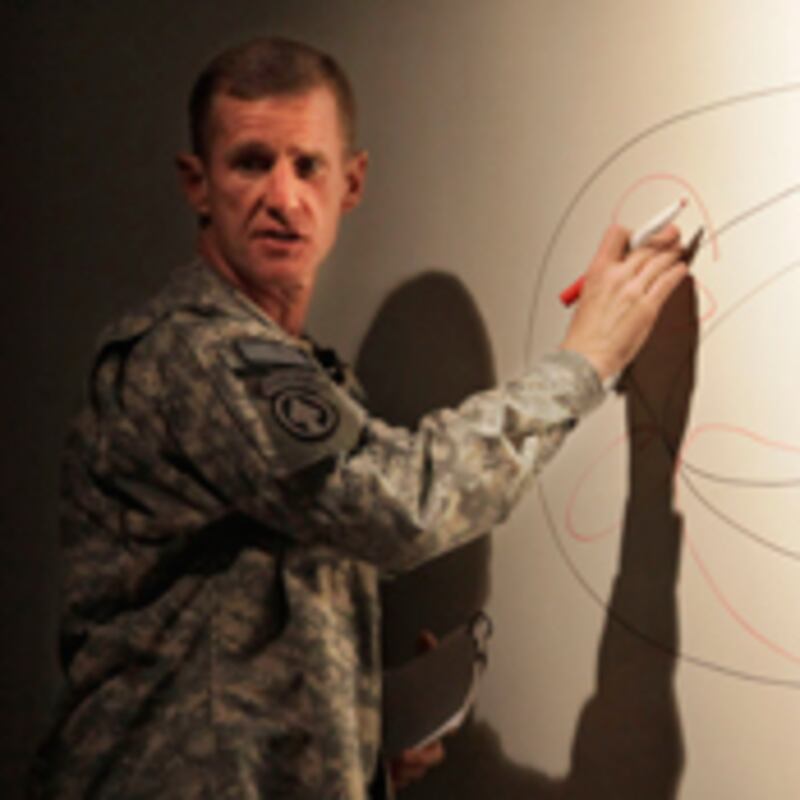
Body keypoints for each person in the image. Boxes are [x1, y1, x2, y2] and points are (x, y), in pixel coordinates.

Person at [30, 36, 687, 800]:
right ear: (197, 184)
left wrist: (350, 742)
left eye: (308, 165)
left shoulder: (297, 370)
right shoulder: (197, 354)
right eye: (251, 163)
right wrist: (583, 363)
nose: (284, 198)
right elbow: (395, 506)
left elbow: (233, 643)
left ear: (352, 182)